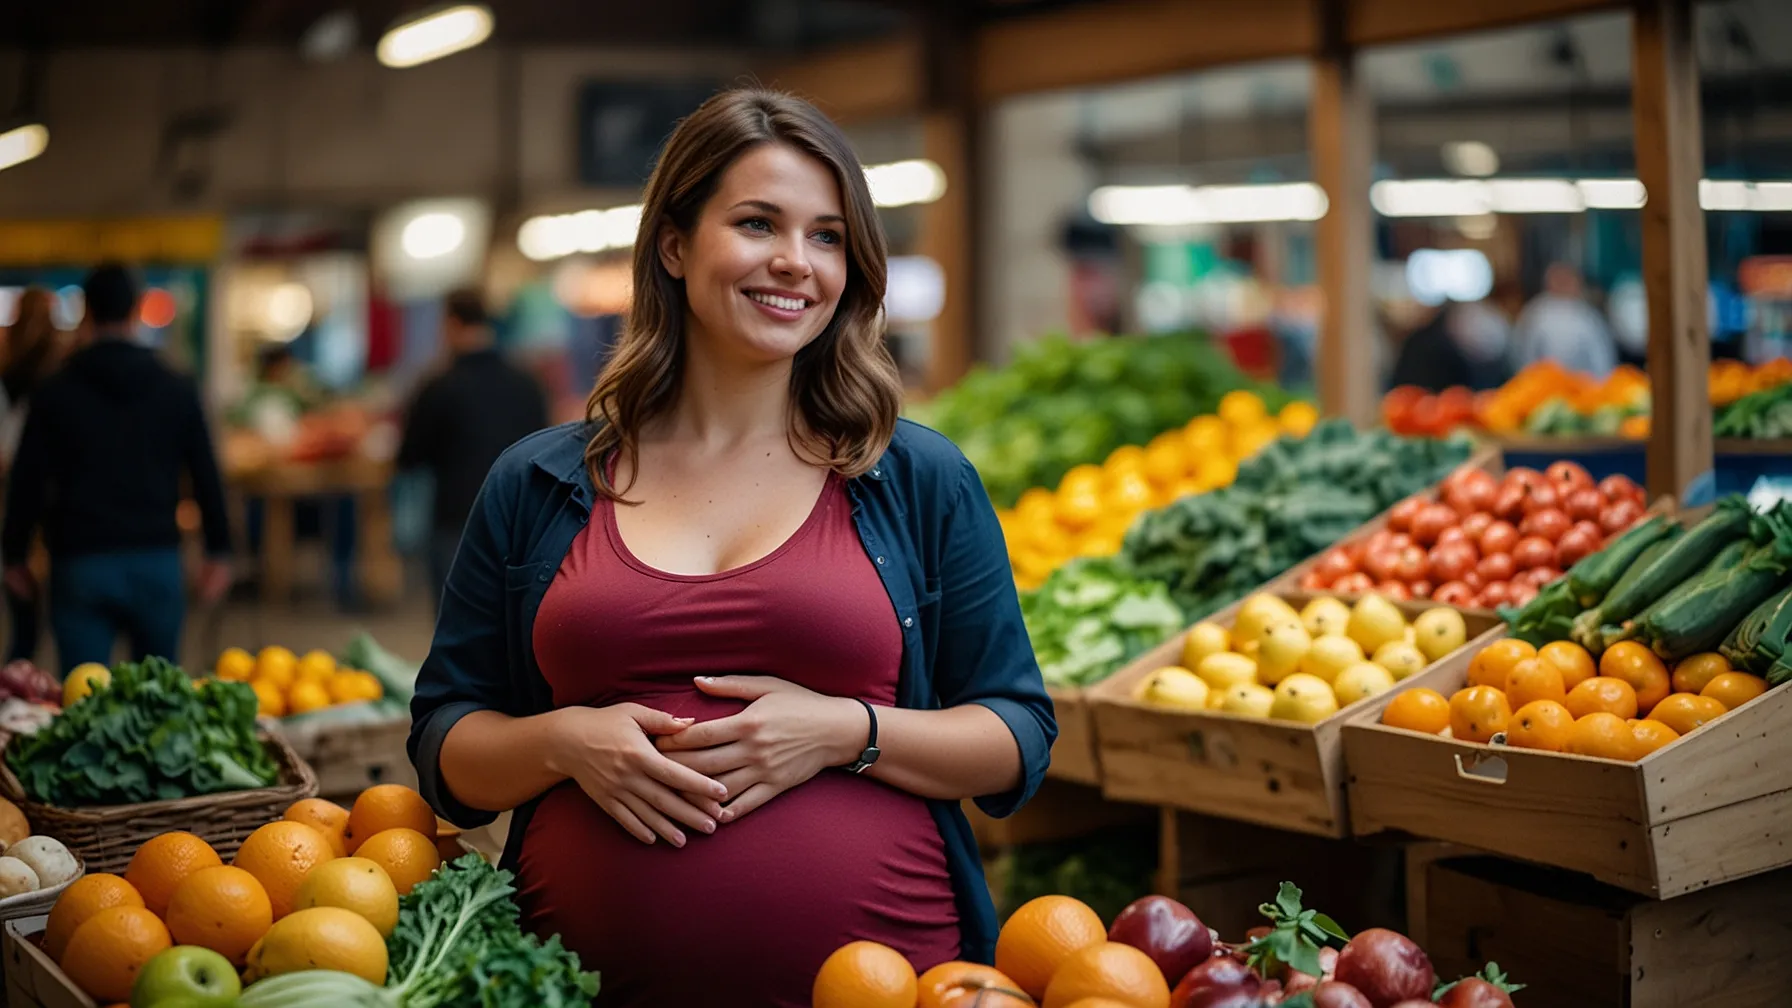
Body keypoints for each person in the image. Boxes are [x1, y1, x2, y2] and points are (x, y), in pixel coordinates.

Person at [406, 89, 1055, 1006]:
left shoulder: (916, 478)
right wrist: (562, 742)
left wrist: (848, 732)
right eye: (758, 223)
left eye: (828, 236)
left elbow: (1017, 734)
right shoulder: (538, 483)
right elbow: (444, 743)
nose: (795, 260)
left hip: (890, 985)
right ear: (674, 245)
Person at [1, 264, 232, 673]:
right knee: (159, 694)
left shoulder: (55, 391)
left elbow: (28, 479)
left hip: (80, 562)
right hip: (156, 558)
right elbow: (205, 471)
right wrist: (219, 549)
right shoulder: (175, 386)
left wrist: (14, 553)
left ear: (86, 312)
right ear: (137, 309)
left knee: (84, 694)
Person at [395, 288, 549, 604]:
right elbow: (545, 448)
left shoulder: (439, 386)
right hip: (520, 518)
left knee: (457, 618)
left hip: (457, 519)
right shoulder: (527, 383)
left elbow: (410, 456)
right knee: (514, 620)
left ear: (452, 324)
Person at [0, 288, 71, 664]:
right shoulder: (63, 379)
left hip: (14, 503)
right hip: (56, 507)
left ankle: (19, 687)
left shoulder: (9, 375)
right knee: (67, 623)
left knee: (24, 626)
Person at [1512, 263, 1618, 378]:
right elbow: (1522, 354)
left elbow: (1602, 359)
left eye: (1566, 279)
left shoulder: (1589, 317)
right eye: (1558, 279)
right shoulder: (1534, 314)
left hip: (1583, 383)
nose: (1562, 283)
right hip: (1541, 382)